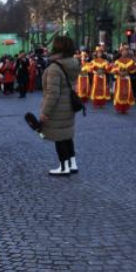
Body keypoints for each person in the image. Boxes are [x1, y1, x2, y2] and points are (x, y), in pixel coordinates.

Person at [38, 34, 82, 176]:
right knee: (67, 135)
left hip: (58, 108)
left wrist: (45, 112)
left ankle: (64, 167)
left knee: (59, 137)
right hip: (69, 105)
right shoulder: (73, 63)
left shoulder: (55, 68)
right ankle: (72, 163)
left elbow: (52, 94)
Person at [111, 45, 136, 114]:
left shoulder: (130, 61)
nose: (124, 52)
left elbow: (133, 70)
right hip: (120, 79)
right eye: (123, 51)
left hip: (127, 78)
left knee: (126, 93)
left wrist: (127, 71)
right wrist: (119, 72)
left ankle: (125, 107)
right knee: (119, 93)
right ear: (121, 52)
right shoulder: (117, 61)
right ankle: (119, 107)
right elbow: (114, 69)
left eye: (126, 51)